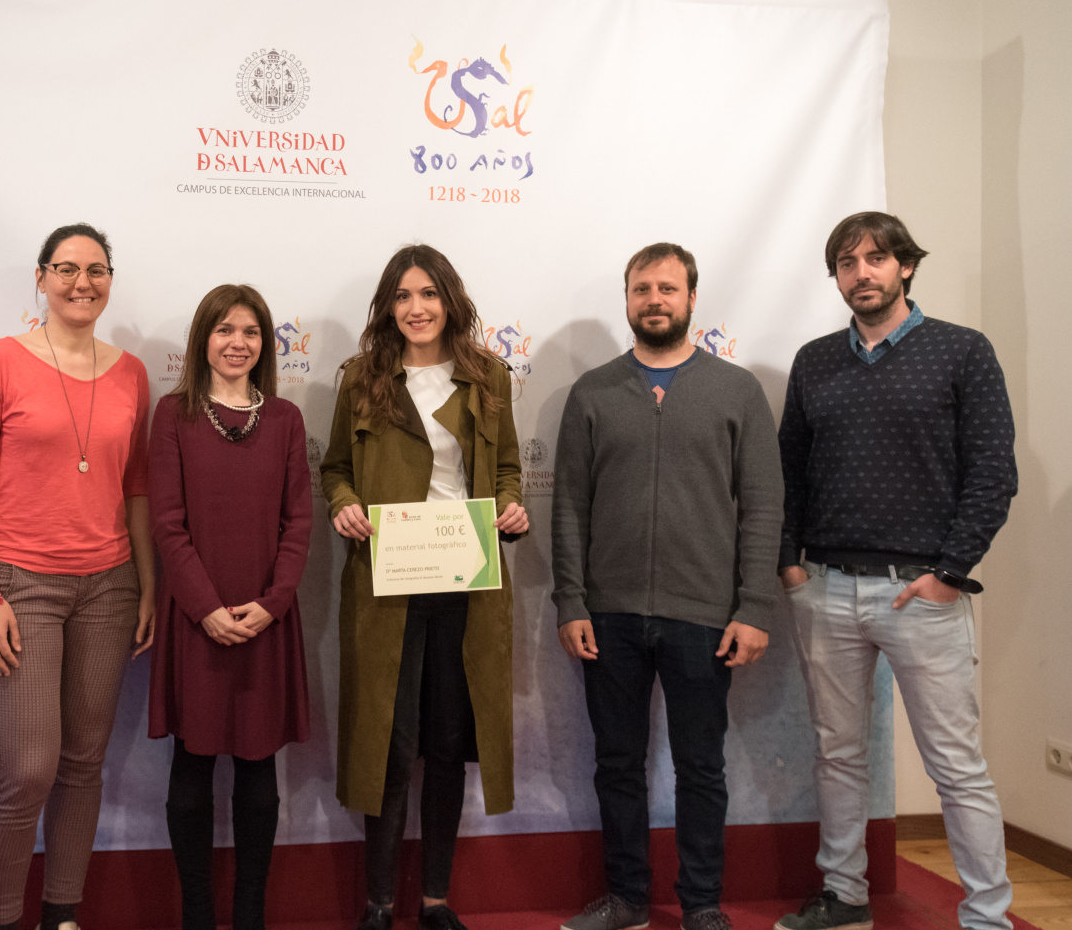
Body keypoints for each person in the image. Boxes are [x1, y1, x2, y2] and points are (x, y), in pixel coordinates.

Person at [775, 212, 1017, 930]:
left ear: (905, 267)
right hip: (825, 588)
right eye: (847, 264)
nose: (862, 274)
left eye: (875, 260)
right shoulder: (815, 360)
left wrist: (949, 573)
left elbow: (992, 473)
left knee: (956, 767)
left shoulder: (962, 352)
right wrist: (790, 563)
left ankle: (987, 918)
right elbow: (789, 471)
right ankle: (845, 896)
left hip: (922, 595)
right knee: (838, 757)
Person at [552, 243, 782, 930]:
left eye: (668, 288)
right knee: (617, 765)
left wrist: (753, 608)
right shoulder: (592, 392)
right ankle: (626, 900)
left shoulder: (736, 390)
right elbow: (567, 505)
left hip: (703, 616)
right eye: (642, 288)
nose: (655, 299)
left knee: (700, 768)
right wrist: (571, 600)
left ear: (691, 299)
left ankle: (701, 904)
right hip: (609, 615)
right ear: (627, 299)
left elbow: (764, 506)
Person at [0, 223, 157, 930]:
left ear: (109, 280)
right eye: (66, 268)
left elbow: (136, 489)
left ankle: (61, 913)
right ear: (40, 279)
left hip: (109, 587)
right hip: (21, 585)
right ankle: (3, 920)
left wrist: (149, 586)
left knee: (81, 763)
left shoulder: (131, 373)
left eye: (96, 270)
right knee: (28, 771)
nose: (82, 282)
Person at [320, 244, 530, 930]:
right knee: (387, 742)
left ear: (450, 300)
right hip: (387, 586)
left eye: (429, 294)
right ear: (388, 305)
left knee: (446, 742)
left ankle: (435, 899)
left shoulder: (488, 375)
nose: (416, 308)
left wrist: (511, 509)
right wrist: (344, 504)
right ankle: (378, 902)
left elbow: (506, 474)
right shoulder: (362, 378)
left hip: (467, 585)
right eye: (404, 296)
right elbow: (335, 471)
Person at [148, 284, 312, 930]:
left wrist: (271, 605)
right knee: (190, 768)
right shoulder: (174, 415)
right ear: (203, 341)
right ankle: (197, 915)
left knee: (257, 771)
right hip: (198, 621)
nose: (237, 343)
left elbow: (298, 523)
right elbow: (166, 523)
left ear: (264, 343)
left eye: (250, 332)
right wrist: (206, 607)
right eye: (224, 331)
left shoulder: (287, 421)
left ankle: (250, 916)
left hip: (266, 623)